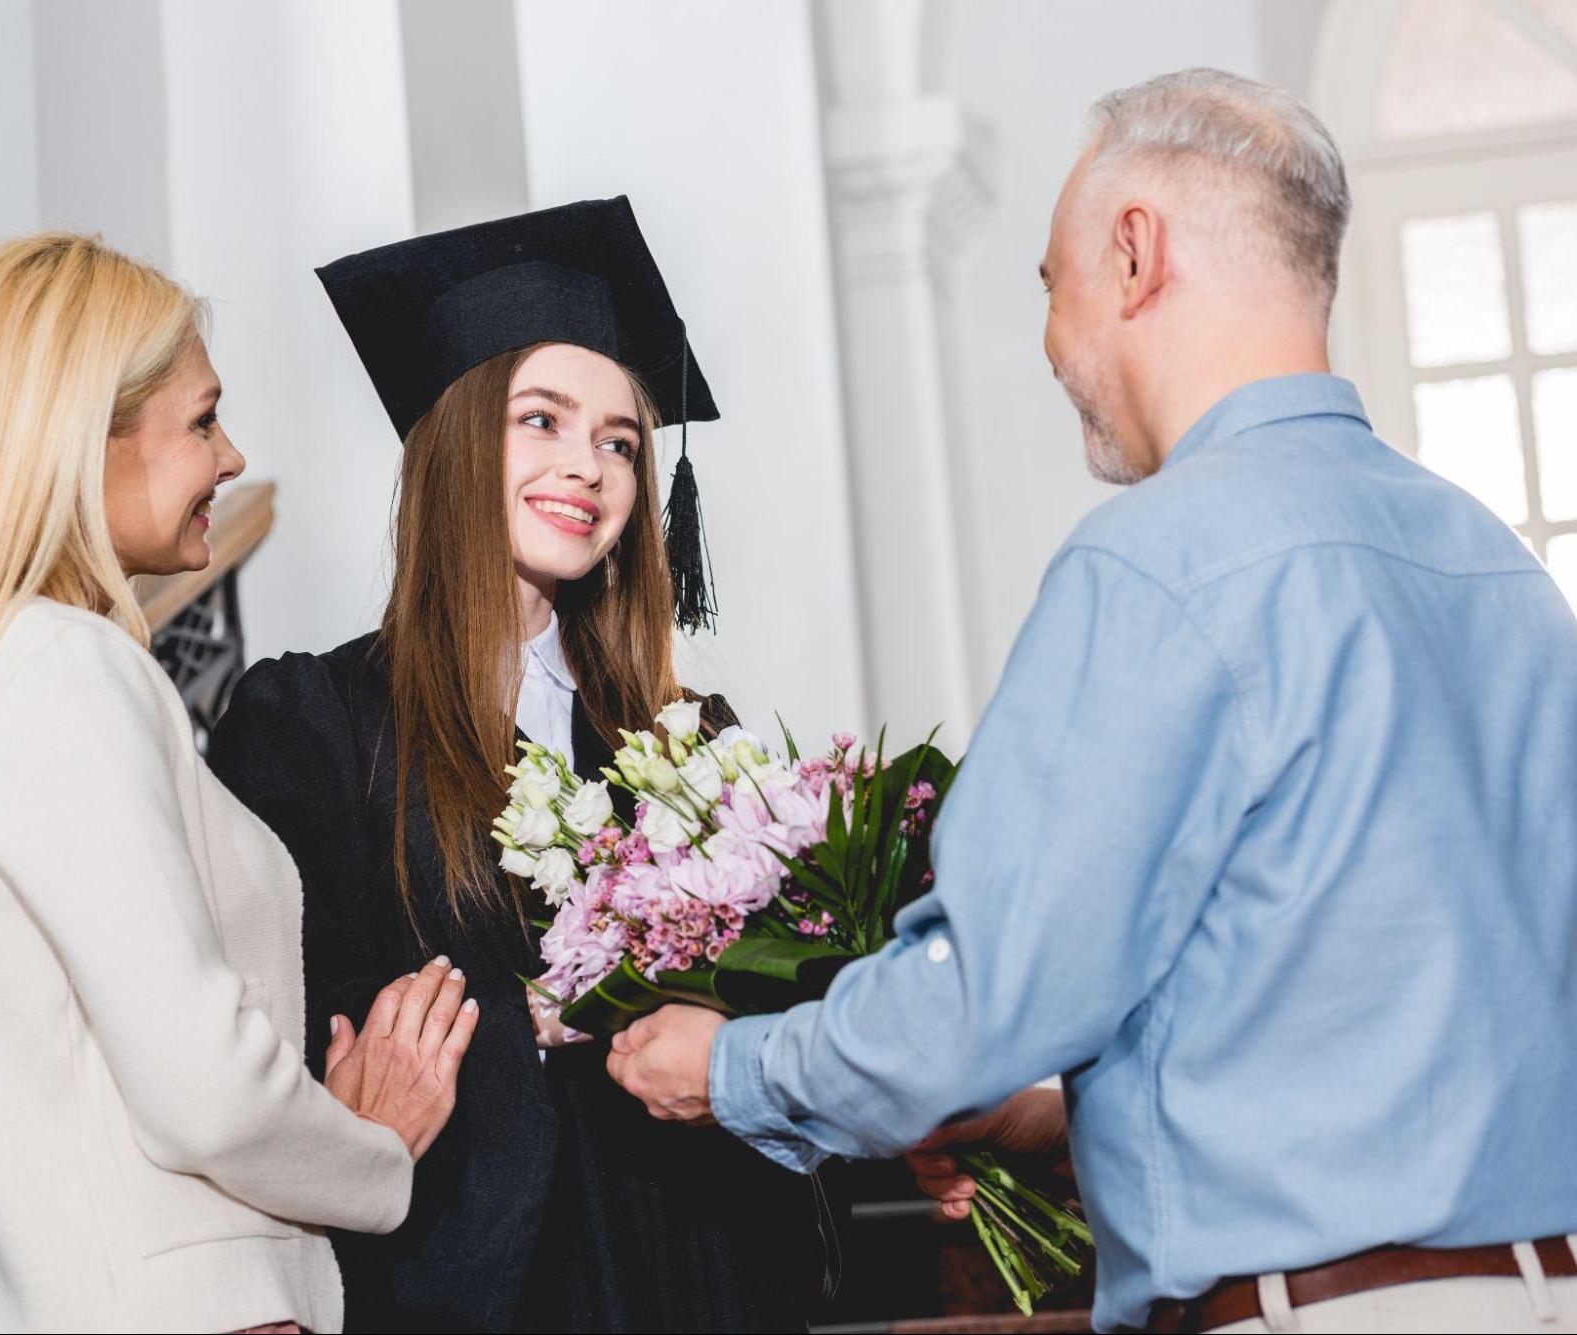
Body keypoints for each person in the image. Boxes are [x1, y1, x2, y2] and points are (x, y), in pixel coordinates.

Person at [605, 69, 1577, 1333]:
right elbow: (1385, 1010)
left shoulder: (1157, 562)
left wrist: (727, 1066)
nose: (1052, 343)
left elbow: (978, 1000)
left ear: (1132, 254)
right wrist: (1065, 1117)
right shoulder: (1497, 566)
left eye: (1048, 283)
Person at [206, 198, 825, 1333]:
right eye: (539, 420)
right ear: (455, 439)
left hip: (697, 1267)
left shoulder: (688, 743)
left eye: (620, 441)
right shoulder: (316, 723)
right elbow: (296, 1016)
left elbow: (767, 1005)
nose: (585, 467)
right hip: (479, 1275)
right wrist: (531, 1008)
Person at [0, 232, 478, 1334]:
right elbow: (204, 1087)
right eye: (201, 420)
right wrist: (370, 1148)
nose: (230, 460)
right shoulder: (64, 675)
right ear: (80, 442)